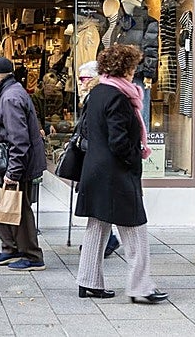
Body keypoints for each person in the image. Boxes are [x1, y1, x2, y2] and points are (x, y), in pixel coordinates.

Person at [75, 44, 168, 303]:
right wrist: (134, 157)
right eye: (133, 66)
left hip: (95, 170)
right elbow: (118, 141)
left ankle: (88, 282)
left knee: (98, 226)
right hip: (115, 174)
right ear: (125, 68)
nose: (135, 71)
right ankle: (141, 288)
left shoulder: (98, 92)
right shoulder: (118, 96)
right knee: (135, 229)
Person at [0, 56, 47, 271]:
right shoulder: (8, 92)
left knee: (17, 206)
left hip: (18, 162)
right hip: (9, 160)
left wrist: (13, 172)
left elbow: (19, 139)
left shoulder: (10, 98)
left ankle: (32, 255)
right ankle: (11, 248)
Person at [77, 60, 120, 259]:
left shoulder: (99, 98)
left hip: (100, 161)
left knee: (101, 206)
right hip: (96, 159)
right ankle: (104, 241)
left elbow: (104, 134)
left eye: (83, 79)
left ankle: (107, 241)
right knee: (99, 206)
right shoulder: (89, 98)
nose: (80, 83)